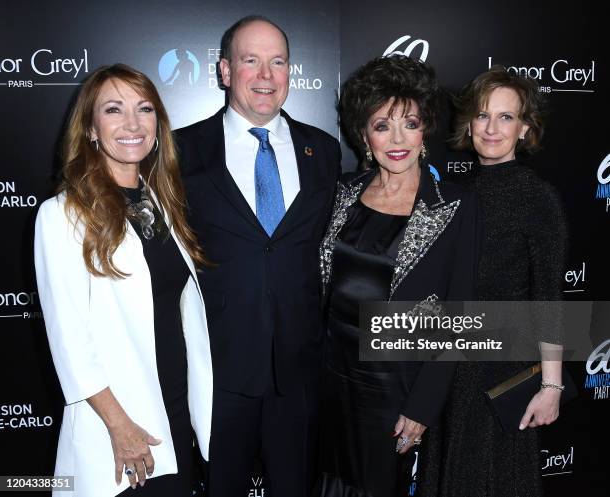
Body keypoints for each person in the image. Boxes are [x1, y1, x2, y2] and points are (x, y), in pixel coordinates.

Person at [175, 15, 341, 497]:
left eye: (278, 62)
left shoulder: (324, 151)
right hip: (218, 371)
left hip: (301, 373)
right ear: (225, 71)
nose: (266, 76)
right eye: (251, 61)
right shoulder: (181, 150)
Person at [34, 64, 212, 497]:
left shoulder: (161, 204)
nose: (132, 123)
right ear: (92, 129)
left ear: (158, 125)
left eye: (144, 109)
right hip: (120, 426)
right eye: (114, 110)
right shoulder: (63, 215)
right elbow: (70, 339)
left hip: (173, 411)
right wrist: (119, 425)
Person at [315, 55, 481, 497]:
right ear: (364, 134)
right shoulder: (343, 193)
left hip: (392, 386)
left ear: (425, 129)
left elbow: (458, 315)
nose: (397, 139)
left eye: (409, 123)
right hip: (330, 378)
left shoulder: (453, 205)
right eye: (382, 125)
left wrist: (422, 406)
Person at [419, 67, 567, 497]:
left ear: (524, 129)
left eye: (506, 117)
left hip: (502, 376)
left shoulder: (538, 198)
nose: (492, 128)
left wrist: (552, 386)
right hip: (448, 370)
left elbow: (548, 299)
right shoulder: (452, 192)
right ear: (468, 123)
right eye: (483, 115)